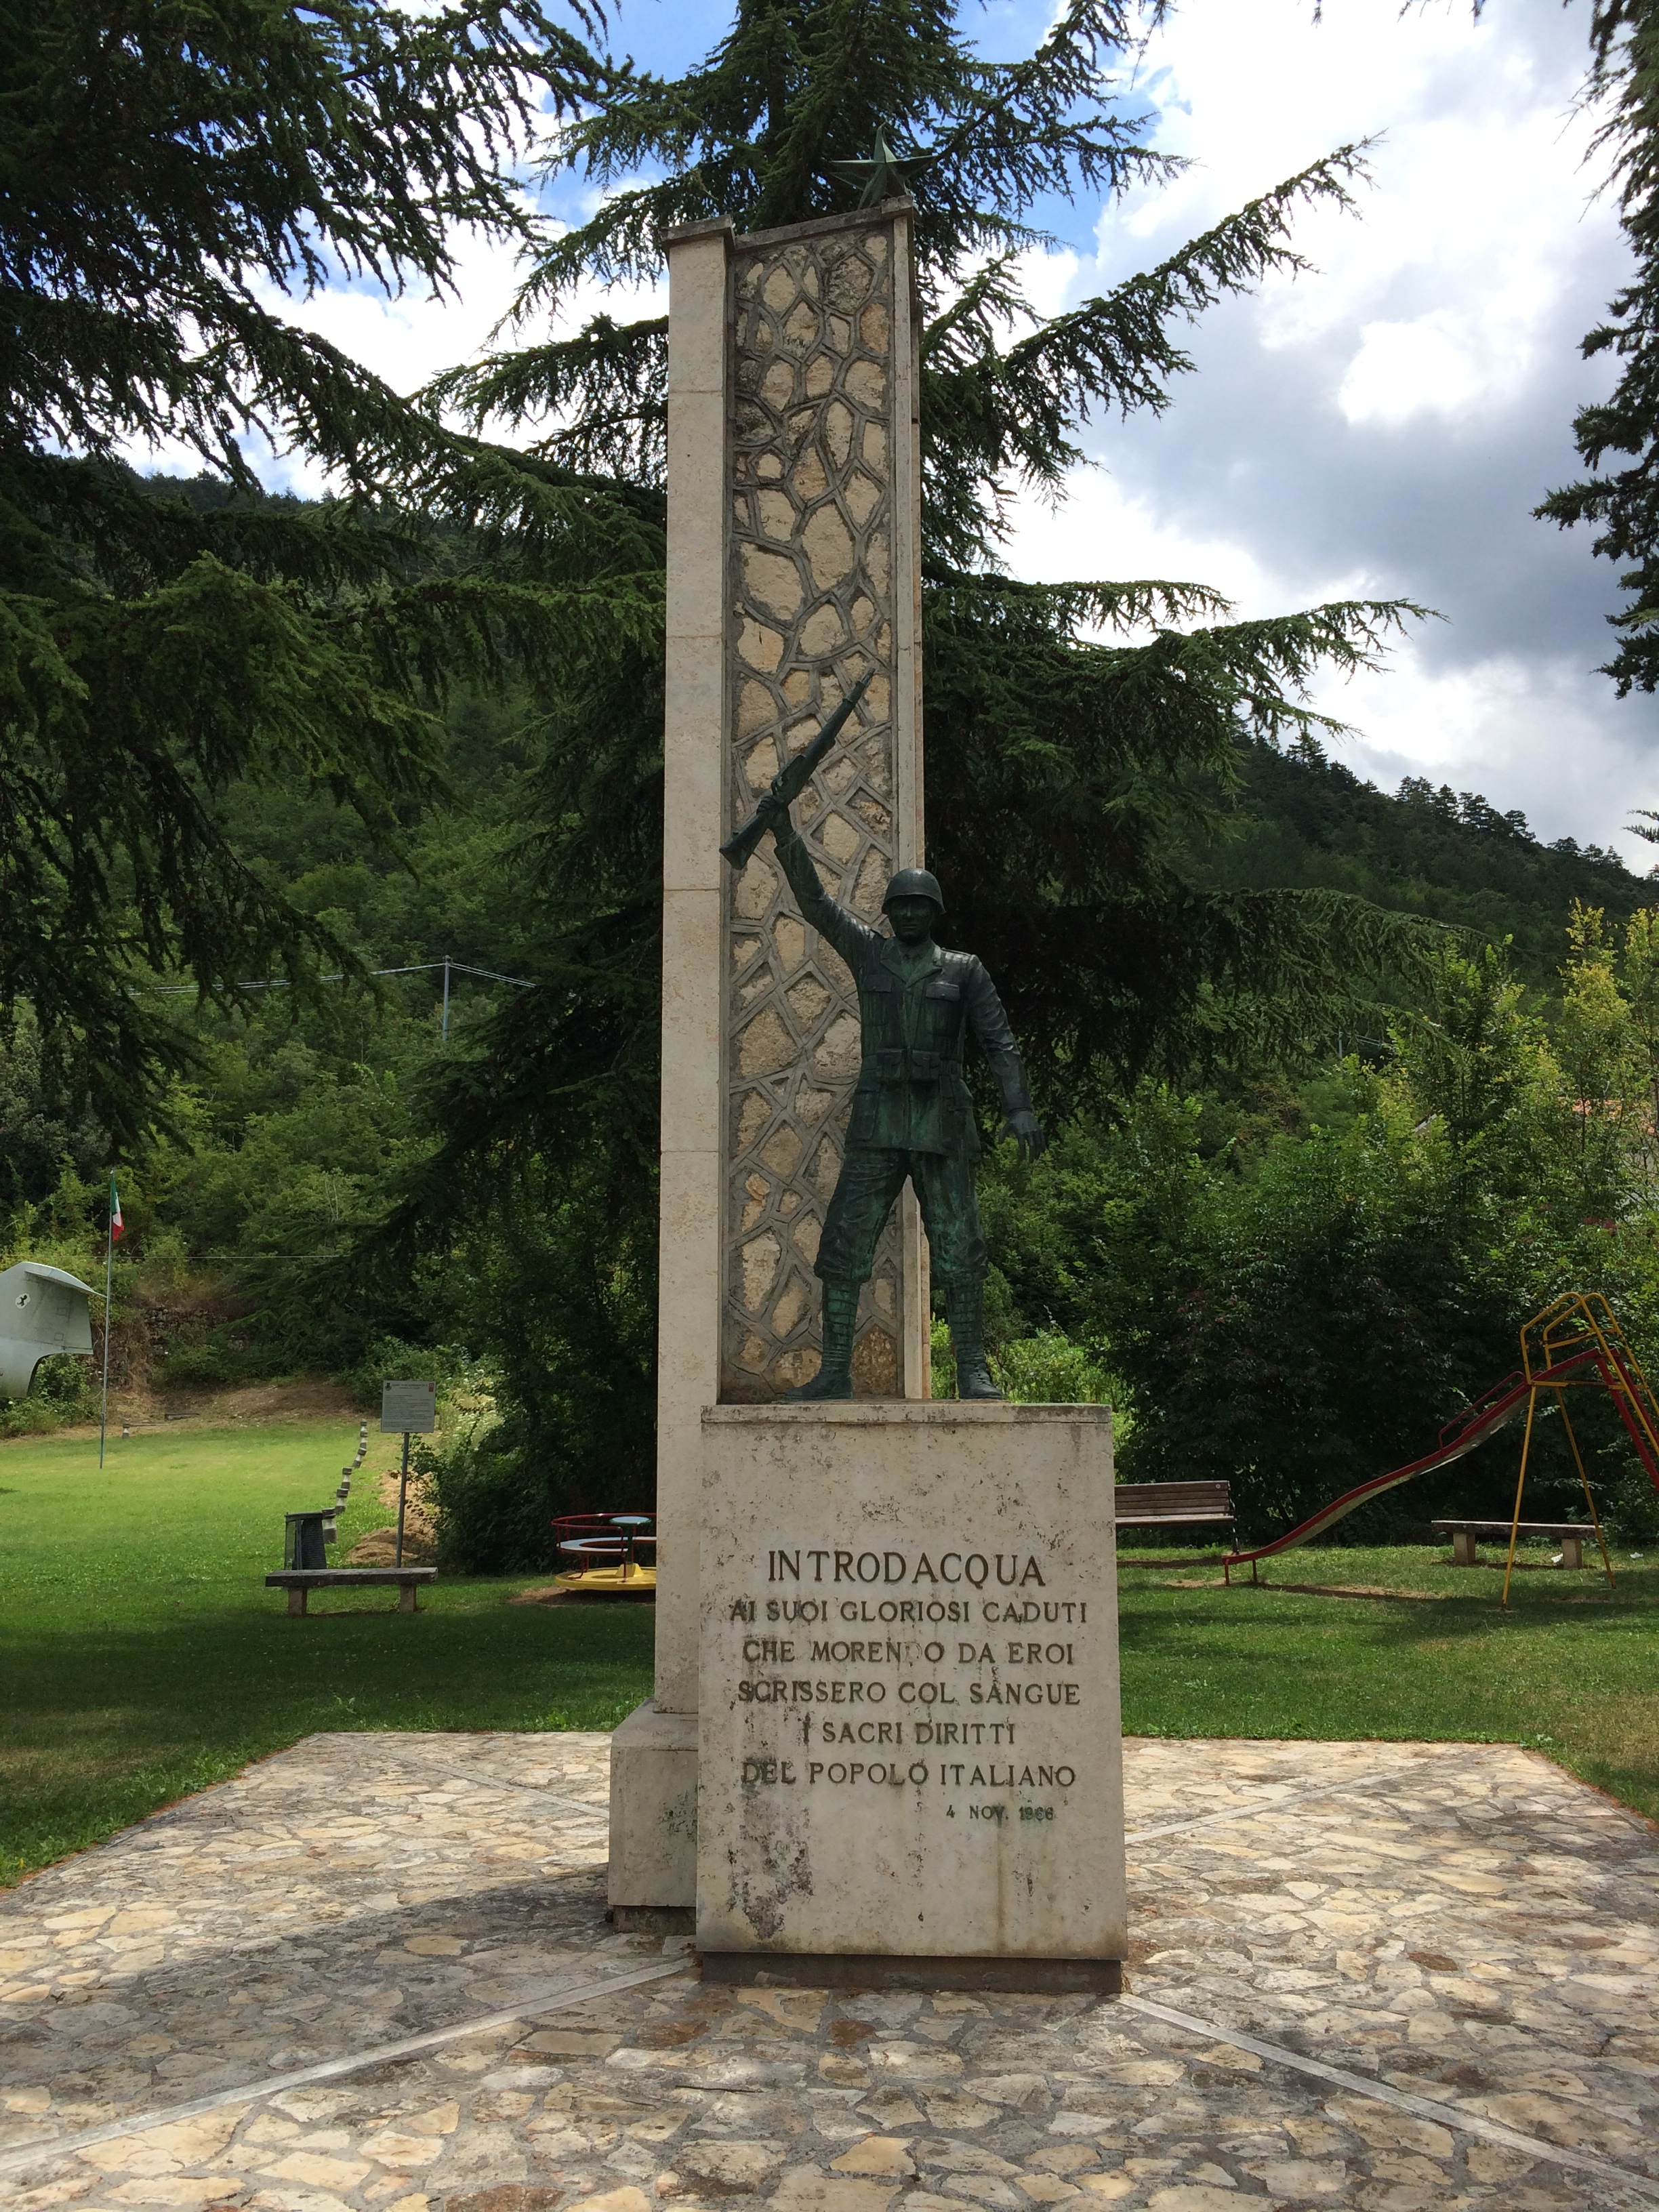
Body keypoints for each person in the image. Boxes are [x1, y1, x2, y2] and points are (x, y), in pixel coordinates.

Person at [764, 799, 1045, 1399]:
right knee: (843, 1240)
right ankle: (835, 1369)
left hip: (942, 1122)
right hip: (879, 1121)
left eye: (921, 904)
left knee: (959, 1245)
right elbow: (816, 904)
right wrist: (785, 832)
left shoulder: (964, 970)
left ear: (935, 912)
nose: (911, 912)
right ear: (889, 913)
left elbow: (1000, 1041)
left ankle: (972, 1370)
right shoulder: (869, 953)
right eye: (901, 905)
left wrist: (1018, 1106)